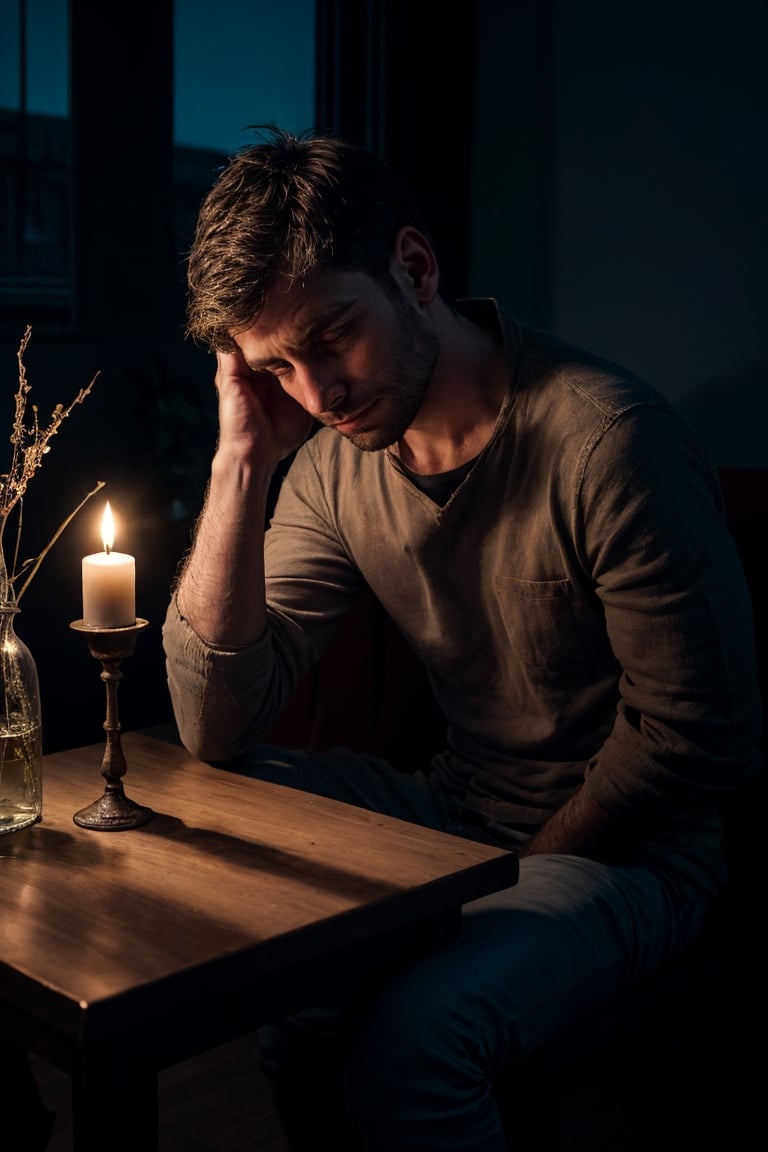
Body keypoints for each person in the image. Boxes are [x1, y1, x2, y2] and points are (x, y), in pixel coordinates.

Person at [161, 124, 762, 1152]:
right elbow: (214, 725)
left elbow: (697, 737)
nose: (318, 393)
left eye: (332, 335)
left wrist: (497, 880)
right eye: (278, 366)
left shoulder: (608, 441)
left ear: (416, 268)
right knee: (241, 842)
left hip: (634, 859)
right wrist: (240, 461)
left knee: (416, 1040)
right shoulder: (328, 454)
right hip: (457, 811)